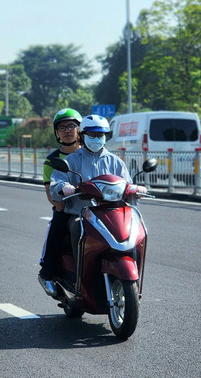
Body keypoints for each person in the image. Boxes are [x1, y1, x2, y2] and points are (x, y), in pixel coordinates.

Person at [49, 115, 148, 262]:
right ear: (82, 136)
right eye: (92, 135)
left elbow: (127, 184)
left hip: (111, 214)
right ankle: (79, 278)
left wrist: (136, 189)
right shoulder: (71, 160)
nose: (96, 138)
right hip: (82, 215)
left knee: (134, 231)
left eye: (100, 135)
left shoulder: (115, 162)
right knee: (77, 229)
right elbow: (56, 184)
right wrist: (65, 187)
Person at [38, 108, 82, 295]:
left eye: (71, 125)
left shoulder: (91, 154)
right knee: (57, 226)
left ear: (80, 129)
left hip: (95, 207)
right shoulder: (52, 160)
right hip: (68, 208)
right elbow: (52, 196)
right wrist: (60, 199)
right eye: (62, 127)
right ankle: (47, 273)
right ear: (57, 133)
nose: (67, 130)